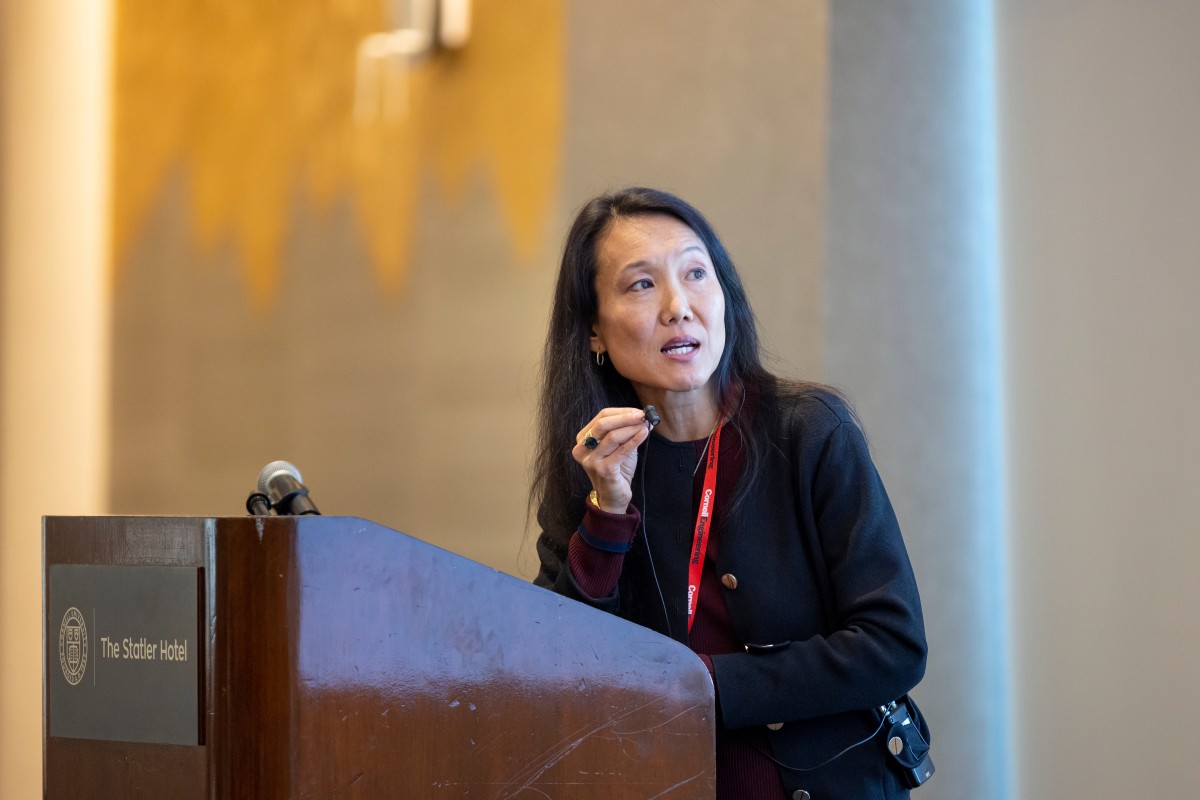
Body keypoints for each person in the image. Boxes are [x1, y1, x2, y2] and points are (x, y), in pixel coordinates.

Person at [531, 187, 928, 799]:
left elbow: (892, 646)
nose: (678, 307)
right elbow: (562, 671)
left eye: (696, 273)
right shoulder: (592, 465)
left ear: (725, 299)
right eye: (641, 285)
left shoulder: (809, 430)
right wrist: (607, 512)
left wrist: (705, 684)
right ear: (594, 332)